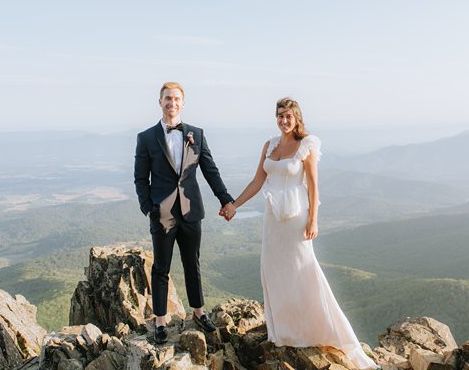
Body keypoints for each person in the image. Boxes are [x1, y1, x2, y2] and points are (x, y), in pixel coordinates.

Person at [220, 97, 379, 369]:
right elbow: (258, 181)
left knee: (303, 270)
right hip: (273, 218)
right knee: (274, 269)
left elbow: (314, 185)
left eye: (288, 116)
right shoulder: (269, 145)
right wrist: (234, 205)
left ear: (297, 119)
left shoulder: (307, 145)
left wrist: (314, 220)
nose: (283, 120)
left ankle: (318, 328)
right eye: (280, 116)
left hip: (297, 217)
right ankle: (284, 329)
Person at [134, 82, 237, 344]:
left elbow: (210, 170)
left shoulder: (196, 134)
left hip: (192, 211)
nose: (172, 103)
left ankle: (199, 312)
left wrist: (226, 200)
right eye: (168, 98)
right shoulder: (146, 137)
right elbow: (140, 178)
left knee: (193, 264)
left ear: (183, 102)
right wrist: (149, 208)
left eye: (177, 98)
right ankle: (160, 321)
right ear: (160, 102)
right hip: (162, 214)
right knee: (161, 268)